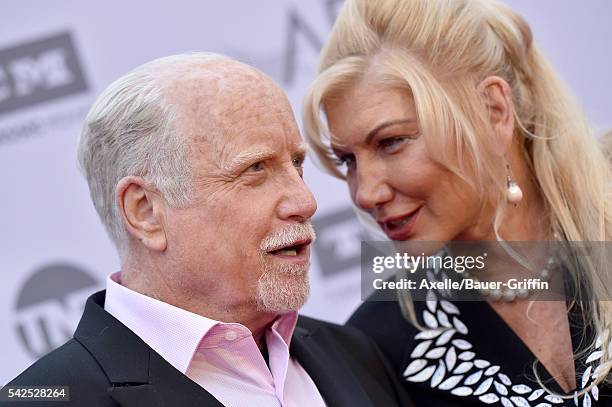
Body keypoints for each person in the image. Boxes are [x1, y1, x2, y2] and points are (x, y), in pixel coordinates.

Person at [1, 53, 412, 407]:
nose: (304, 201)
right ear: (145, 211)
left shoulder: (358, 355)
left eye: (297, 164)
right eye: (255, 169)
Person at [303, 0, 612, 405]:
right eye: (348, 161)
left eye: (391, 141)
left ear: (493, 111)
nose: (365, 194)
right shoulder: (385, 344)